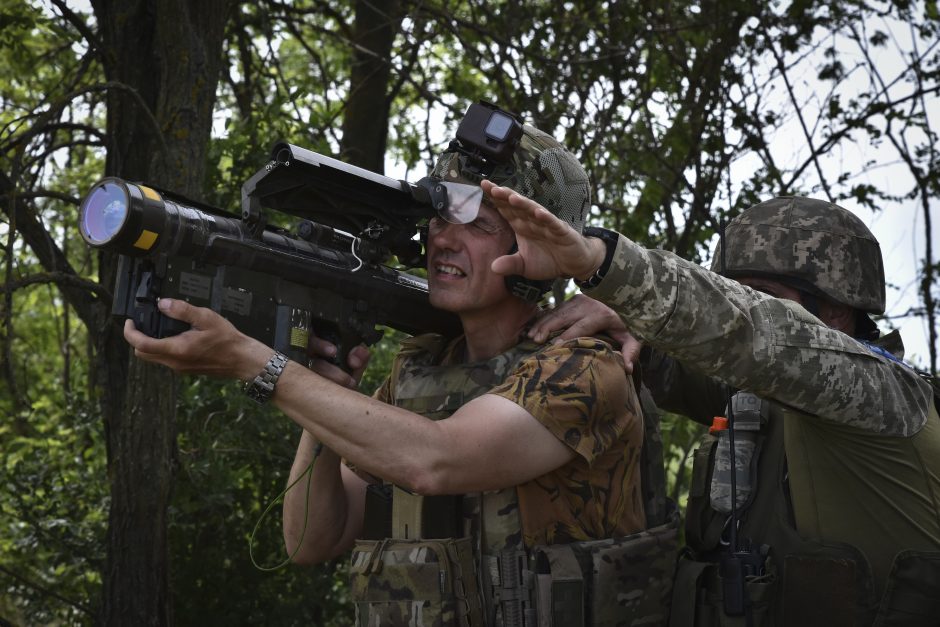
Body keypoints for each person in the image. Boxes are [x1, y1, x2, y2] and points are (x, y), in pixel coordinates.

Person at [124, 105, 672, 626]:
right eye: (439, 216)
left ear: (540, 250)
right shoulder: (422, 369)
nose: (444, 239)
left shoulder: (585, 369)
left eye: (477, 225)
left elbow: (435, 460)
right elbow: (312, 539)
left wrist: (256, 364)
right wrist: (320, 395)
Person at [481, 187, 940, 626]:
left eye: (761, 295)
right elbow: (696, 362)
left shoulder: (886, 398)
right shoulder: (764, 400)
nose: (739, 306)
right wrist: (632, 326)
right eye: (730, 291)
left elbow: (754, 336)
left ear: (838, 312)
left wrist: (606, 265)